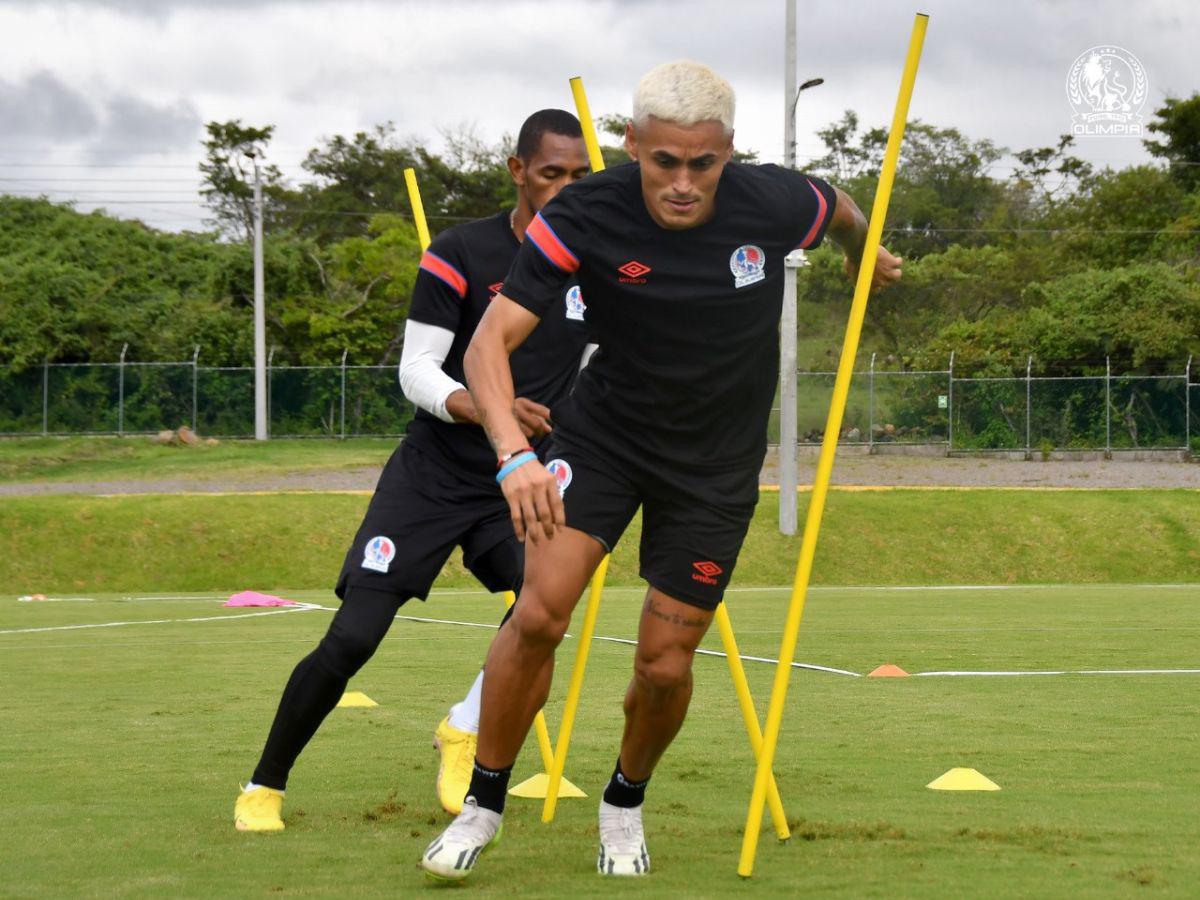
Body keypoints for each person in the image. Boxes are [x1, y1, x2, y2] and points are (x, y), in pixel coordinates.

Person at [421, 60, 902, 881]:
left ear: (729, 153)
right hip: (605, 438)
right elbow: (485, 344)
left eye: (703, 164)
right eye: (663, 162)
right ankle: (484, 801)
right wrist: (513, 457)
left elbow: (843, 207)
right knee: (539, 615)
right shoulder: (583, 211)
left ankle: (622, 803)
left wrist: (867, 254)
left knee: (665, 666)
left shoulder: (775, 200)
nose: (683, 183)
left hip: (714, 468)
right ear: (631, 145)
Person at [234, 109, 593, 832]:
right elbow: (416, 371)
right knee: (355, 636)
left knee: (544, 609)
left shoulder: (601, 264)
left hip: (518, 480)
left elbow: (593, 369)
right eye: (554, 173)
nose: (568, 188)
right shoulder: (461, 252)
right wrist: (491, 412)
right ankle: (264, 784)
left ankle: (464, 725)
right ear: (519, 171)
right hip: (431, 475)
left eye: (583, 177)